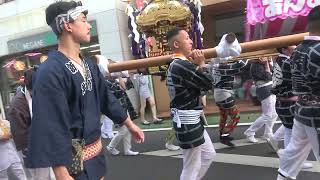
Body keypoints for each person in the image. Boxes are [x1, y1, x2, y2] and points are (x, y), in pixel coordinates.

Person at [26, 1, 144, 180]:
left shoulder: (89, 65)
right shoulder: (50, 71)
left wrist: (129, 124)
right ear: (67, 25)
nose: (89, 25)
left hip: (96, 158)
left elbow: (106, 98)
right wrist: (61, 172)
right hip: (72, 167)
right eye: (83, 20)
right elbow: (50, 122)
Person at [166, 27, 216, 180]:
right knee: (191, 167)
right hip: (188, 121)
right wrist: (201, 63)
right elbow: (209, 83)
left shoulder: (179, 64)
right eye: (187, 38)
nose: (191, 41)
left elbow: (200, 88)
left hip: (192, 120)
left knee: (208, 154)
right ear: (176, 44)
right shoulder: (182, 65)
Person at [276, 6, 320, 180]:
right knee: (293, 154)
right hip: (316, 113)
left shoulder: (299, 49)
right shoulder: (317, 50)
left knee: (292, 157)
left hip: (301, 109)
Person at [268, 46, 313, 170]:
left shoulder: (279, 60)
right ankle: (293, 160)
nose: (296, 46)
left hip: (282, 103)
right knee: (299, 133)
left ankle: (290, 160)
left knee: (290, 131)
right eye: (293, 45)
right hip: (289, 103)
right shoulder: (288, 62)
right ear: (284, 49)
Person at [8, 66, 56, 180]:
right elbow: (21, 138)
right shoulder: (17, 106)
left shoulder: (42, 95)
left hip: (49, 145)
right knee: (40, 177)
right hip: (33, 151)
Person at [210, 33, 248, 147]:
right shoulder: (222, 66)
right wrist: (249, 54)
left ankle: (222, 134)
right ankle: (225, 135)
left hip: (219, 93)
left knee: (224, 116)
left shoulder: (215, 63)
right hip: (224, 94)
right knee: (236, 116)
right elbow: (241, 64)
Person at [244, 56, 278, 143]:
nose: (270, 57)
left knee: (274, 114)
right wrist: (266, 63)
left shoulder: (263, 63)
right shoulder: (255, 65)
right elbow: (267, 77)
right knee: (267, 114)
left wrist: (268, 63)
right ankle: (250, 132)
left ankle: (268, 133)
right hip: (265, 89)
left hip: (270, 87)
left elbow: (274, 74)